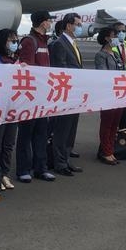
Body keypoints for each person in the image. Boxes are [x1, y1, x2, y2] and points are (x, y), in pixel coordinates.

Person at [15, 11, 55, 183]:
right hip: (31, 97)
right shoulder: (30, 41)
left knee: (41, 133)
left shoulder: (43, 41)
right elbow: (27, 71)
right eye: (49, 21)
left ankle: (40, 168)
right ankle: (23, 169)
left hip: (42, 96)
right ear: (43, 22)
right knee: (26, 134)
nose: (50, 23)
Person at [48, 13, 85, 177]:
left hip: (75, 94)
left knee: (71, 130)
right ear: (69, 25)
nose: (80, 27)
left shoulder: (72, 43)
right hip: (66, 94)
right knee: (62, 130)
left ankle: (66, 159)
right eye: (78, 24)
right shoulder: (59, 44)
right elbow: (60, 70)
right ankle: (60, 163)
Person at [0, 29, 23, 189]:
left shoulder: (17, 61)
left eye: (16, 40)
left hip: (13, 108)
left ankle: (4, 174)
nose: (15, 43)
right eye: (11, 41)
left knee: (8, 144)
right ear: (3, 42)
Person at [94, 28, 125, 165]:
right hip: (108, 94)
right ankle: (105, 152)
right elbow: (102, 74)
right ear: (107, 38)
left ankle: (110, 150)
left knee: (114, 124)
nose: (117, 38)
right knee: (107, 123)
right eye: (114, 35)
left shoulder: (116, 54)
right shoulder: (101, 55)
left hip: (119, 93)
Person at [112, 21, 126, 128]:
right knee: (114, 115)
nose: (122, 33)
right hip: (115, 84)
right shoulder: (111, 45)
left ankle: (123, 134)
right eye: (119, 31)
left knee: (125, 113)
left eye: (123, 31)